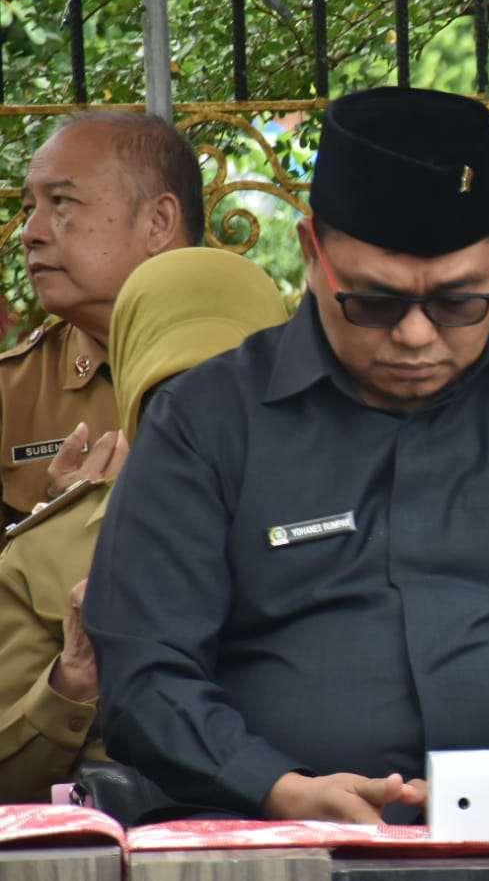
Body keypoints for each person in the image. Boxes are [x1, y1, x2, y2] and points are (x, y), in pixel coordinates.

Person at [85, 87, 489, 824]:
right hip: (270, 829)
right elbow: (146, 673)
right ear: (312, 254)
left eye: (458, 302)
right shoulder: (207, 420)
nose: (415, 336)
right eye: (374, 303)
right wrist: (277, 786)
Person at [0, 248, 288, 803]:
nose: (201, 431)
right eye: (171, 400)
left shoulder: (351, 526)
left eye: (229, 400)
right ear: (131, 392)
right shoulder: (47, 555)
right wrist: (75, 678)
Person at [2, 112, 205, 523]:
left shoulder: (266, 373)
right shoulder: (13, 395)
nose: (30, 233)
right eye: (28, 208)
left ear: (158, 222)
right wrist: (61, 529)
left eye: (61, 202)